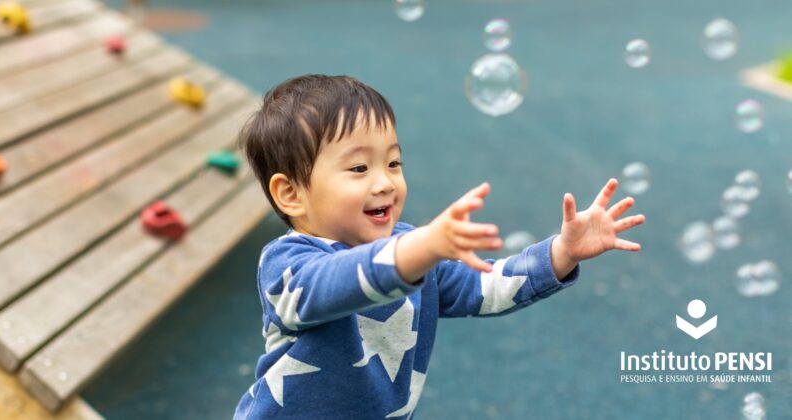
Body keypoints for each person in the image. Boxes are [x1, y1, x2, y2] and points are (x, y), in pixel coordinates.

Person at [233, 75, 645, 419]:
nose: (385, 182)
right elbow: (339, 282)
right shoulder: (288, 265)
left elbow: (487, 286)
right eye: (359, 168)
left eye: (393, 163)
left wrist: (561, 253)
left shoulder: (414, 248)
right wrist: (424, 246)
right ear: (291, 194)